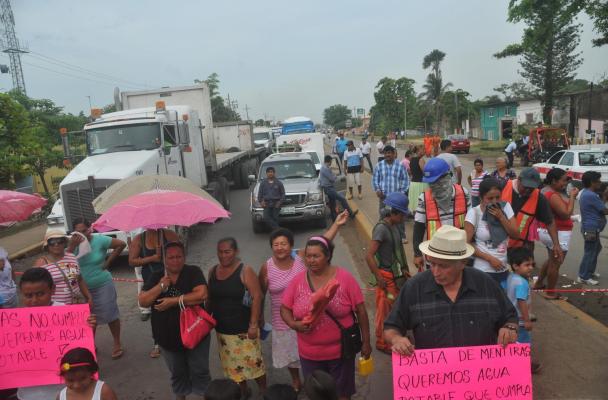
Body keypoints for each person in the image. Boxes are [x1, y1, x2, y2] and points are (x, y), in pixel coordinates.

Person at [384, 225, 519, 355]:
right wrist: (396, 339)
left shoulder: (485, 284)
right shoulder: (414, 288)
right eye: (432, 263)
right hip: (432, 370)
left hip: (482, 370)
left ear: (463, 263)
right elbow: (391, 327)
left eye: (443, 266)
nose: (436, 272)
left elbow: (510, 317)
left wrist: (509, 328)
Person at [258, 213, 347, 392]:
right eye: (276, 244)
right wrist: (259, 320)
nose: (280, 248)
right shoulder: (266, 268)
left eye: (284, 244)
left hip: (308, 316)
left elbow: (322, 243)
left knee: (312, 353)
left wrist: (336, 225)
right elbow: (261, 294)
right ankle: (296, 380)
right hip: (282, 321)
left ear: (291, 245)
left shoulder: (301, 258)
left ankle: (315, 382)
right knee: (291, 356)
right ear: (271, 247)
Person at [281, 236, 371, 400]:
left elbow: (361, 311)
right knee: (317, 395)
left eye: (316, 256)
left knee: (341, 394)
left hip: (341, 353)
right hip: (309, 355)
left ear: (328, 256)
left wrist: (366, 342)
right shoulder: (297, 281)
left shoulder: (345, 279)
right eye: (308, 256)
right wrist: (294, 324)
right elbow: (284, 308)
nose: (311, 260)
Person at [139, 241, 210, 399]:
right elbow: (143, 301)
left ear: (184, 257)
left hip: (196, 333)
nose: (175, 261)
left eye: (179, 256)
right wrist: (160, 287)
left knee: (200, 370)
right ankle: (181, 396)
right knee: (177, 372)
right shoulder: (156, 276)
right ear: (164, 259)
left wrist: (173, 301)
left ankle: (205, 395)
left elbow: (202, 294)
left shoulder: (193, 272)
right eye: (171, 257)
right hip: (167, 337)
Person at [16, 268, 96, 400]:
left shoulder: (68, 314)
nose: (34, 300)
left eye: (40, 294)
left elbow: (83, 350)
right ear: (21, 293)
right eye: (28, 296)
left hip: (63, 390)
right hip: (28, 393)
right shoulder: (14, 322)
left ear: (53, 289)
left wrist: (90, 328)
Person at [208, 238, 266, 398]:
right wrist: (206, 319)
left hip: (244, 330)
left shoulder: (245, 271)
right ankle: (243, 391)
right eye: (220, 252)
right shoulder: (212, 271)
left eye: (227, 251)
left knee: (254, 364)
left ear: (236, 251)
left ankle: (263, 391)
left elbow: (257, 297)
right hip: (223, 331)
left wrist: (253, 325)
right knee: (233, 367)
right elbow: (210, 298)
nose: (223, 255)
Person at [71, 218, 126, 360]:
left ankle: (117, 342)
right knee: (87, 318)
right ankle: (90, 345)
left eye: (84, 231)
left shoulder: (99, 240)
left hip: (102, 283)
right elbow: (64, 260)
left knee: (110, 314)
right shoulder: (72, 244)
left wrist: (108, 262)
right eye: (78, 232)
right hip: (81, 288)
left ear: (90, 229)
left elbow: (121, 244)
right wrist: (72, 246)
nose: (82, 234)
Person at [366, 192, 410, 353]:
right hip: (386, 277)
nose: (403, 218)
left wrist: (404, 270)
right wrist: (379, 277)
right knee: (384, 310)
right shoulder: (381, 229)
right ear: (393, 213)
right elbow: (369, 255)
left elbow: (397, 251)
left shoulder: (395, 227)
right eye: (402, 215)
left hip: (395, 276)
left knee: (393, 308)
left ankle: (393, 336)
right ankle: (382, 343)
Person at [412, 158, 470, 271]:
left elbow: (471, 225)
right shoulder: (424, 199)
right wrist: (417, 254)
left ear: (448, 176)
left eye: (437, 181)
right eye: (431, 183)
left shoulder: (463, 194)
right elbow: (418, 227)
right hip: (435, 257)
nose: (434, 185)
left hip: (459, 255)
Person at [129, 228, 179, 358]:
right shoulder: (139, 239)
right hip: (151, 279)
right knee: (156, 310)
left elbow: (180, 253)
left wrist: (166, 256)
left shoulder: (169, 235)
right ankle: (157, 342)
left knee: (175, 307)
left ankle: (179, 335)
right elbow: (132, 261)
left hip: (171, 276)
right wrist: (152, 258)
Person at [464, 178, 520, 285]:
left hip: (502, 269)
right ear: (481, 198)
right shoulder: (474, 213)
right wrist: (490, 259)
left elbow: (516, 235)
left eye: (498, 197)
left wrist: (501, 217)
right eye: (490, 198)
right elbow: (466, 244)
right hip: (482, 271)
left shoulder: (505, 207)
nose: (494, 202)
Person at [500, 168, 562, 262]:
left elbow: (549, 221)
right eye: (526, 187)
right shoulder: (503, 186)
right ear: (519, 180)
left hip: (517, 248)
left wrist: (556, 244)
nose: (528, 191)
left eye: (532, 188)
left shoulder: (539, 198)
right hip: (496, 244)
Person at [534, 168, 578, 298]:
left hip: (549, 231)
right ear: (553, 181)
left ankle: (539, 283)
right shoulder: (552, 195)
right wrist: (572, 197)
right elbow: (565, 214)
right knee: (555, 264)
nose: (565, 184)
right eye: (563, 181)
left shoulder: (547, 191)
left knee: (551, 260)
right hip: (558, 233)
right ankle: (550, 292)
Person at [504, 247, 541, 373]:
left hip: (511, 318)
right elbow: (521, 301)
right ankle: (524, 365)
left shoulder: (510, 277)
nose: (530, 268)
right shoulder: (522, 283)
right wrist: (527, 320)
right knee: (524, 344)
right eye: (527, 265)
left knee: (514, 342)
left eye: (532, 265)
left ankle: (516, 363)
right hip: (520, 321)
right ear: (515, 266)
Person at [34, 230, 93, 306]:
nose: (56, 244)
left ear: (65, 243)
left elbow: (80, 279)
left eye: (60, 241)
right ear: (47, 245)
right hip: (57, 308)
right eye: (52, 242)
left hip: (76, 304)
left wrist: (88, 296)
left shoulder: (72, 257)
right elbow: (35, 288)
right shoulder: (42, 263)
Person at [577, 171, 607, 285]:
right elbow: (604, 210)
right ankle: (584, 276)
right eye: (598, 181)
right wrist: (605, 196)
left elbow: (600, 207)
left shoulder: (587, 193)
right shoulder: (591, 195)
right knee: (590, 251)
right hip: (591, 228)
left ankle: (589, 271)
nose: (600, 183)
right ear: (591, 182)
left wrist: (604, 197)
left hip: (591, 228)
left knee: (596, 248)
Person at [372, 145, 409, 216]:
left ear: (393, 153)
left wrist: (400, 193)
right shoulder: (379, 165)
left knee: (397, 218)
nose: (387, 155)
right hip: (384, 198)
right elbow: (375, 179)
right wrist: (378, 190)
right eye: (385, 153)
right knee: (383, 217)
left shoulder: (400, 165)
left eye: (389, 153)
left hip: (396, 199)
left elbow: (405, 180)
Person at [319, 156, 357, 221]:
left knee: (332, 204)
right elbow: (332, 179)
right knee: (342, 199)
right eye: (331, 161)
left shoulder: (324, 167)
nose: (331, 163)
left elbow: (332, 177)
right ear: (329, 161)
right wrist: (335, 176)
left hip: (328, 188)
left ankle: (335, 219)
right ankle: (351, 213)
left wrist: (333, 175)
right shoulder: (325, 169)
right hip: (329, 188)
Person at [407, 146, 428, 212]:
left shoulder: (411, 159)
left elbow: (411, 171)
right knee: (421, 203)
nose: (425, 151)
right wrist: (431, 173)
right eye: (423, 149)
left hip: (413, 184)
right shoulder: (421, 160)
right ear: (418, 151)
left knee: (414, 203)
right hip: (420, 184)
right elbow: (425, 173)